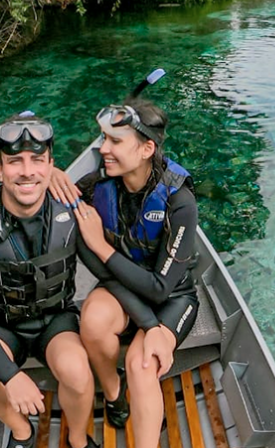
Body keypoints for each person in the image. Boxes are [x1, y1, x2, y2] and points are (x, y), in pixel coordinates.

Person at [50, 96, 199, 448]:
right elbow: (52, 196)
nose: (103, 149)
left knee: (143, 364)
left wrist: (100, 245)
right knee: (93, 319)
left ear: (147, 148)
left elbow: (161, 288)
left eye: (115, 141)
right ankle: (114, 393)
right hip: (120, 287)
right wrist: (52, 173)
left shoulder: (179, 201)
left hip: (171, 297)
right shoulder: (97, 186)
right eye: (103, 139)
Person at [0, 111, 98, 448]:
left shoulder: (71, 210)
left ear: (50, 165)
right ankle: (22, 432)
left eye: (38, 161)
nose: (27, 171)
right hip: (1, 324)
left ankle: (77, 440)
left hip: (55, 320)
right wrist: (10, 375)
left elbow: (106, 268)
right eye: (15, 161)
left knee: (77, 370)